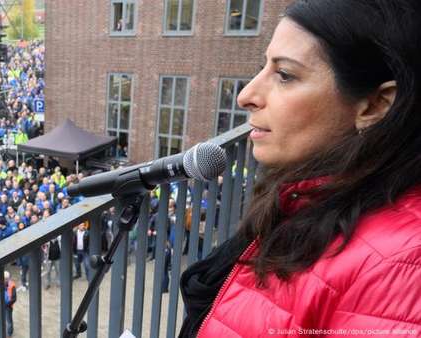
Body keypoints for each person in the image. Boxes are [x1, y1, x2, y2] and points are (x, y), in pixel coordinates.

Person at [179, 1, 421, 336]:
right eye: (263, 67)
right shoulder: (310, 197)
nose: (246, 95)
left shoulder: (400, 266)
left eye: (285, 75)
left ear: (375, 105)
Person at [2, 271, 16, 337]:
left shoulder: (12, 285)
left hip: (8, 306)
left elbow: (14, 298)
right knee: (4, 319)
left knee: (9, 321)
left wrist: (7, 305)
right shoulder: (1, 284)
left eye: (6, 278)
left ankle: (9, 334)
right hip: (2, 305)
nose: (5, 280)